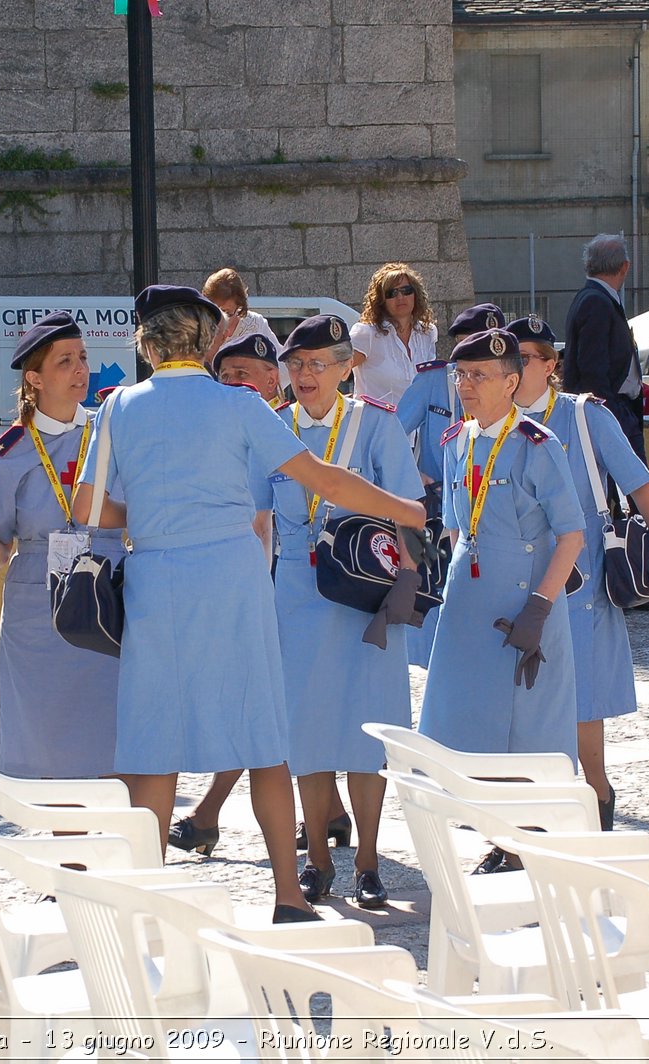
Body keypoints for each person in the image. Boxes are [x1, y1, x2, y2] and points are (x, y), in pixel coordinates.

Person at [71, 285, 426, 923]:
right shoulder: (237, 404)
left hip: (156, 577)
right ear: (210, 344)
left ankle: (147, 901)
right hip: (231, 576)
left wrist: (155, 517)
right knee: (264, 736)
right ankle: (288, 895)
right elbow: (321, 477)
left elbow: (86, 509)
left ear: (146, 347)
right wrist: (403, 508)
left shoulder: (118, 406)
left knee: (153, 746)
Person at [254, 315, 420, 909]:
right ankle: (318, 858)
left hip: (364, 595)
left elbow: (409, 508)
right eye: (295, 365)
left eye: (317, 364)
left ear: (347, 367)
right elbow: (253, 514)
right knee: (307, 728)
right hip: (297, 595)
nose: (303, 376)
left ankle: (369, 860)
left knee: (366, 728)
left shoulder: (375, 426)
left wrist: (407, 579)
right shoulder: (273, 429)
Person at [170, 329, 353, 861]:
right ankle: (328, 810)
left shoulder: (286, 427)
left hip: (285, 585)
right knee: (262, 703)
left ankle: (212, 815)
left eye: (243, 374)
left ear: (274, 378)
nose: (232, 384)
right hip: (250, 585)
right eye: (223, 376)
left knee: (268, 705)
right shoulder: (223, 428)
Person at [508, 315, 649, 831]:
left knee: (582, 699)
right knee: (520, 704)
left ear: (552, 366)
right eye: (510, 359)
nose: (517, 369)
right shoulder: (490, 423)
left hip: (580, 578)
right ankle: (525, 826)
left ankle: (596, 797)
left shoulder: (584, 416)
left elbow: (641, 485)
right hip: (517, 576)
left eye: (528, 358)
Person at [421, 328, 585, 873]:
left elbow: (572, 535)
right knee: (466, 717)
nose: (466, 386)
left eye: (480, 376)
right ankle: (496, 829)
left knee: (527, 725)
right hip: (469, 599)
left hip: (524, 602)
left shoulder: (538, 445)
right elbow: (453, 528)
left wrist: (540, 607)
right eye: (461, 375)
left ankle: (525, 841)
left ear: (513, 383)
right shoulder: (454, 442)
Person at [0, 313, 122, 779]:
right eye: (65, 361)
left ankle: (112, 841)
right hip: (39, 604)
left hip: (109, 591)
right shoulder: (7, 453)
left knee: (112, 726)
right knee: (47, 733)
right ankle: (65, 846)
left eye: (83, 359)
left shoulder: (111, 435)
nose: (81, 370)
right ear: (34, 378)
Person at [392, 302, 503, 670]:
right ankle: (435, 668)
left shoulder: (509, 387)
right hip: (437, 508)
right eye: (470, 343)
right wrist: (414, 476)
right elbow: (391, 439)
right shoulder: (432, 382)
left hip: (495, 506)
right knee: (433, 586)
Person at [562, 234, 645, 459]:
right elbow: (592, 366)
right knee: (633, 488)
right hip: (610, 411)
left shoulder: (595, 298)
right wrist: (610, 413)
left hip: (611, 408)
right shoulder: (596, 301)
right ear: (624, 267)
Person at [350, 263, 440, 408]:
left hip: (419, 427)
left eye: (406, 290)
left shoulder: (427, 333)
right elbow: (335, 370)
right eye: (392, 293)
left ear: (415, 294)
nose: (400, 297)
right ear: (381, 300)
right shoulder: (367, 334)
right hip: (376, 427)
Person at [214, 334, 285, 405]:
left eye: (241, 373)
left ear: (271, 380)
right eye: (224, 376)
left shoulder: (291, 415)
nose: (229, 383)